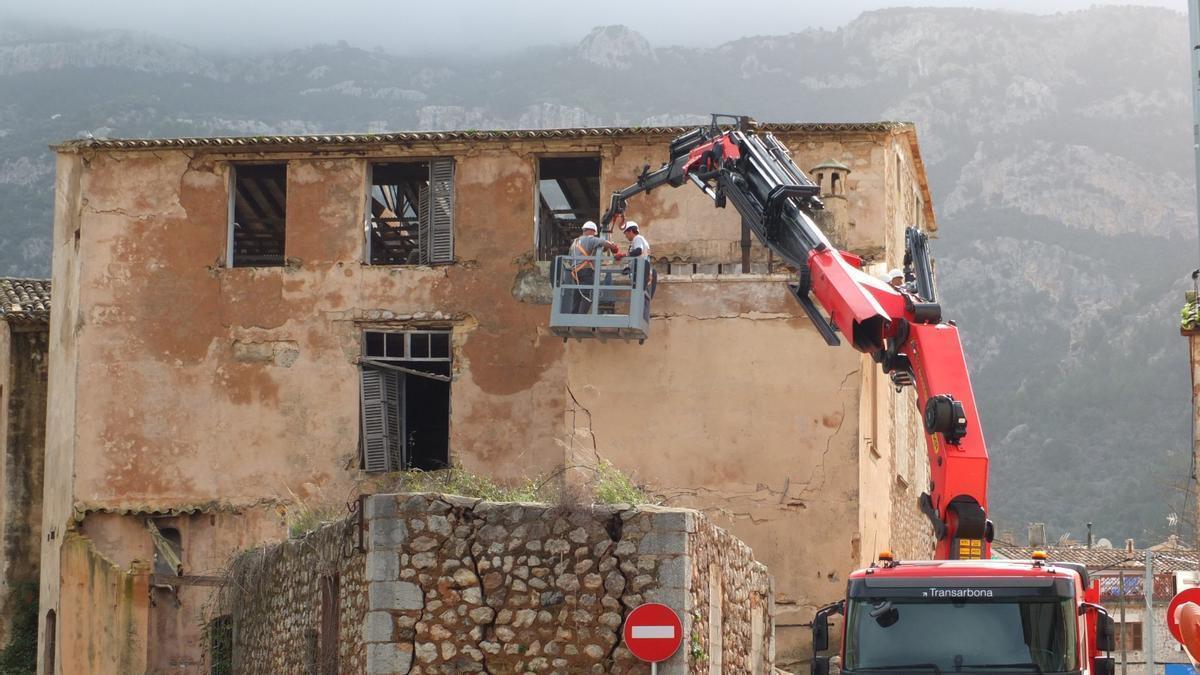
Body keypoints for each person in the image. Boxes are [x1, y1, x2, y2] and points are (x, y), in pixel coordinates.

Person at [566, 221, 618, 314]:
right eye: (594, 233)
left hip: (575, 272)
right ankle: (581, 317)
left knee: (577, 296)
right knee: (587, 295)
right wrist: (613, 247)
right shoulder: (590, 239)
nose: (594, 235)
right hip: (586, 271)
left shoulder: (575, 242)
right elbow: (603, 242)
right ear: (591, 231)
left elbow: (570, 258)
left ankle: (574, 317)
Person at [615, 220, 657, 299]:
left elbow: (638, 250)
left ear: (630, 231)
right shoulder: (642, 240)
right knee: (643, 299)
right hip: (644, 271)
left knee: (640, 299)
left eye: (626, 233)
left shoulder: (637, 238)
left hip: (640, 272)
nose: (626, 236)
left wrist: (624, 255)